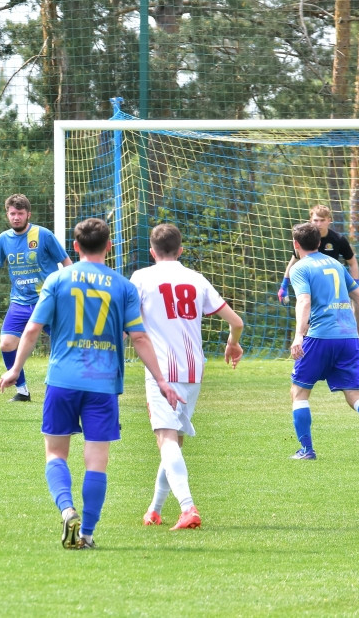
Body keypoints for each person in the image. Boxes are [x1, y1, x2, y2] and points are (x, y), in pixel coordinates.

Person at [0, 217, 182, 550]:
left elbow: (32, 330)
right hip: (102, 384)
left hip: (63, 381)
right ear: (109, 247)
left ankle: (67, 510)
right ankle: (87, 533)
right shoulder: (122, 286)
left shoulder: (57, 279)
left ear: (76, 247)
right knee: (96, 462)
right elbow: (138, 337)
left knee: (55, 454)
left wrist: (15, 370)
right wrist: (162, 380)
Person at [130, 223, 244, 531]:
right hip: (194, 370)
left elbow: (128, 322)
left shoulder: (141, 278)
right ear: (181, 250)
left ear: (152, 252)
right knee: (173, 442)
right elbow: (236, 321)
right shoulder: (196, 279)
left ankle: (187, 507)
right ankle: (154, 509)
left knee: (166, 439)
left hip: (161, 370)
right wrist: (232, 343)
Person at [0, 193, 72, 402]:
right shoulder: (4, 239)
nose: (16, 217)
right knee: (6, 344)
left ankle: (70, 387)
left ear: (28, 215)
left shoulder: (43, 235)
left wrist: (72, 287)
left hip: (46, 300)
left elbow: (66, 262)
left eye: (20, 213)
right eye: (12, 213)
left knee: (65, 343)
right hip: (19, 301)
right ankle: (22, 390)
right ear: (7, 214)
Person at [286, 221, 359, 460]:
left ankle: (307, 450)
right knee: (356, 395)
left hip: (320, 337)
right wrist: (357, 329)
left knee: (299, 392)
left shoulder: (300, 268)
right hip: (347, 337)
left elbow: (303, 301)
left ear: (296, 245)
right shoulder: (336, 263)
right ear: (318, 242)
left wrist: (298, 336)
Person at [279, 204, 359, 304]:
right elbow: (294, 261)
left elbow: (353, 263)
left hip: (332, 286)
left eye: (322, 220)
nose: (319, 224)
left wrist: (355, 283)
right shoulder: (304, 238)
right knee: (305, 307)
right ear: (310, 221)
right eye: (316, 220)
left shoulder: (338, 240)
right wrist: (284, 285)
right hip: (310, 283)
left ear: (329, 220)